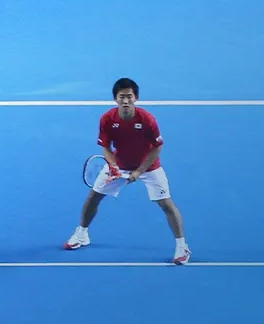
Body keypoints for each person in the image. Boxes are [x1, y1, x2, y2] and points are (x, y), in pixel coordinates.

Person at [64, 78, 190, 264]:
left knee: (166, 204)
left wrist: (139, 171)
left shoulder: (147, 119)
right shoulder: (107, 119)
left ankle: (182, 247)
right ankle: (82, 234)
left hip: (149, 167)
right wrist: (113, 166)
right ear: (115, 98)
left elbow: (157, 147)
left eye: (129, 96)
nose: (125, 101)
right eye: (121, 96)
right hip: (119, 165)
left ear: (136, 98)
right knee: (94, 198)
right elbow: (105, 147)